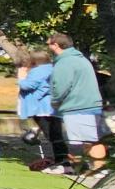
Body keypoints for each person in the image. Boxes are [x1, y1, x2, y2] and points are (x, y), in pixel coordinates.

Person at [46, 32, 106, 173]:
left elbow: (60, 85)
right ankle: (93, 169)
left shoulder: (66, 61)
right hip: (89, 104)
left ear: (56, 45)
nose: (48, 47)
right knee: (89, 139)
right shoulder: (80, 58)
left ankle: (100, 170)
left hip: (78, 106)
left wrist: (54, 101)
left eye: (49, 44)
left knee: (90, 140)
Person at [16, 50, 63, 174]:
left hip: (42, 108)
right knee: (55, 136)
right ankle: (62, 162)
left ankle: (62, 163)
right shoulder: (53, 69)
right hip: (52, 106)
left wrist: (21, 78)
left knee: (53, 136)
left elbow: (27, 86)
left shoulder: (39, 71)